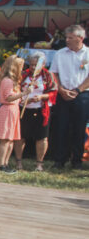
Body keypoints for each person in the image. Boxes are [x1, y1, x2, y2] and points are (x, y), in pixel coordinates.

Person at [49, 24, 89, 169]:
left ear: (80, 38)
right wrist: (60, 89)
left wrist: (78, 90)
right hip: (63, 95)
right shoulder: (60, 53)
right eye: (66, 37)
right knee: (61, 127)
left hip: (83, 95)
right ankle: (59, 160)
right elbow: (53, 73)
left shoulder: (88, 53)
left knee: (79, 128)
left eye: (70, 38)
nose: (67, 40)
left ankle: (76, 160)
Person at [15, 52, 56, 172]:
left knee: (42, 137)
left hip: (41, 109)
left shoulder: (48, 76)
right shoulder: (23, 74)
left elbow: (53, 92)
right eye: (31, 65)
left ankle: (39, 163)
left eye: (36, 65)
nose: (33, 68)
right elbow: (15, 89)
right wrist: (22, 99)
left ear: (43, 64)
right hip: (24, 108)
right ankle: (18, 162)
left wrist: (42, 97)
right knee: (20, 136)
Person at [0, 56, 25, 174]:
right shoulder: (7, 80)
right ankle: (0, 164)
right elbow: (8, 97)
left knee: (11, 140)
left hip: (13, 110)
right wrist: (23, 93)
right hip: (7, 110)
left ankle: (6, 163)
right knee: (5, 139)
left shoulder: (14, 81)